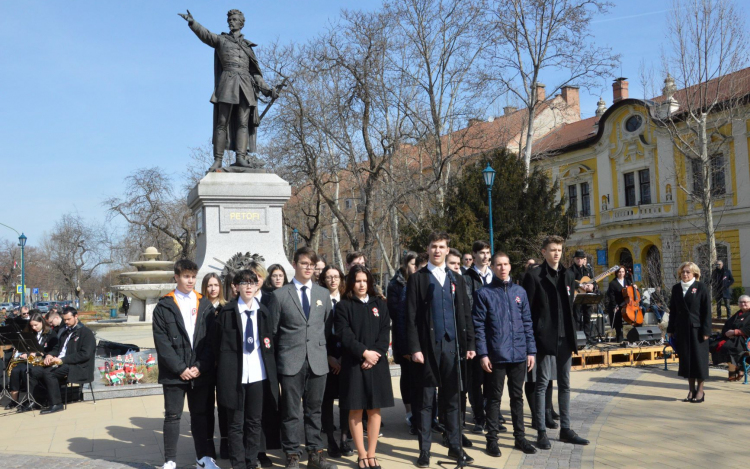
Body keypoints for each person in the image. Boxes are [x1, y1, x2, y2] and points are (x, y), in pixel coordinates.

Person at [178, 9, 279, 171]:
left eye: (234, 19)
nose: (231, 22)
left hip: (246, 86)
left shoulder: (248, 47)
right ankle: (218, 160)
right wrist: (193, 23)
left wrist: (268, 90)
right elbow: (205, 35)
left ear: (241, 23)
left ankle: (240, 157)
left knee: (243, 123)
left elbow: (255, 74)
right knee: (221, 123)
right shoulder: (221, 40)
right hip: (227, 84)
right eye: (230, 19)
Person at [407, 231, 475, 467]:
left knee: (454, 399)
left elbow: (466, 315)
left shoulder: (457, 278)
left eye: (442, 247)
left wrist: (470, 345)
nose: (437, 250)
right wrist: (415, 348)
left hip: (453, 346)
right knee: (426, 400)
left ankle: (455, 447)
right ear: (427, 250)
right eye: (433, 246)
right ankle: (424, 450)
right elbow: (411, 317)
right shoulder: (418, 279)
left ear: (448, 250)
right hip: (428, 348)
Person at [269, 247, 337, 469]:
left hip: (317, 361)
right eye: (304, 263)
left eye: (312, 264)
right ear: (294, 264)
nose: (308, 267)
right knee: (290, 411)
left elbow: (326, 327)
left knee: (314, 410)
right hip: (290, 361)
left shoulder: (323, 294)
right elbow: (273, 331)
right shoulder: (280, 295)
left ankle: (316, 453)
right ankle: (291, 454)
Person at [522, 235, 589, 450]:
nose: (556, 253)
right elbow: (529, 312)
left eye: (559, 249)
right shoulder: (533, 276)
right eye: (552, 250)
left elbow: (569, 308)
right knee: (542, 384)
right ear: (544, 252)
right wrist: (531, 341)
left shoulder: (568, 275)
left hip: (565, 338)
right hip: (544, 339)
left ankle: (566, 429)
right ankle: (541, 430)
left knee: (566, 383)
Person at [152, 259, 218, 469]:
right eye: (186, 276)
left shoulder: (204, 304)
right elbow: (162, 344)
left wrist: (200, 366)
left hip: (199, 371)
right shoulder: (163, 306)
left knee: (200, 415)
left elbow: (210, 341)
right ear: (177, 277)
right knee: (172, 417)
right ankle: (170, 461)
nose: (191, 281)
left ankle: (203, 458)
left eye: (193, 276)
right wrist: (181, 368)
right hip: (174, 374)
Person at [473, 252, 537, 457]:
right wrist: (483, 354)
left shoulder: (520, 292)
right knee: (494, 399)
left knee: (517, 398)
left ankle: (520, 438)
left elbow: (527, 323)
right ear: (492, 267)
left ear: (510, 266)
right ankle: (491, 440)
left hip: (519, 354)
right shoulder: (484, 293)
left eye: (506, 264)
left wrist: (531, 351)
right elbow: (479, 327)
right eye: (498, 265)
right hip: (496, 355)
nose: (502, 268)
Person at [215, 269, 279, 469]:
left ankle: (251, 462)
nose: (249, 286)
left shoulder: (264, 312)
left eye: (252, 282)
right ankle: (239, 464)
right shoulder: (226, 313)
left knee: (254, 422)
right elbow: (216, 346)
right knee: (235, 424)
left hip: (258, 374)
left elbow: (269, 344)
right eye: (244, 282)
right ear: (236, 287)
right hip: (235, 376)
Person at [335, 265, 394, 469]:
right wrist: (364, 353)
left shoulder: (380, 304)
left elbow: (385, 332)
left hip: (376, 364)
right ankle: (361, 455)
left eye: (365, 280)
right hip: (354, 365)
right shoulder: (344, 306)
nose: (362, 284)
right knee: (356, 410)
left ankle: (372, 453)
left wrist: (375, 354)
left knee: (374, 410)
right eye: (358, 280)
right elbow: (345, 334)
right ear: (351, 283)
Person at [24, 307, 95, 415]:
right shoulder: (65, 332)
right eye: (64, 319)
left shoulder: (86, 333)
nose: (66, 322)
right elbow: (58, 348)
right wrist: (50, 355)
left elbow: (85, 354)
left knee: (49, 373)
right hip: (61, 361)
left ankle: (56, 404)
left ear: (76, 317)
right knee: (34, 371)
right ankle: (37, 401)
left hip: (77, 365)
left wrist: (62, 360)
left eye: (68, 319)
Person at [246, 260, 280, 467]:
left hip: (267, 359)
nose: (254, 280)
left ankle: (263, 450)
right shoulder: (240, 298)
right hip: (246, 361)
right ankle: (252, 450)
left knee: (265, 408)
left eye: (258, 276)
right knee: (249, 410)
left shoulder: (270, 298)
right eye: (250, 277)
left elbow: (274, 328)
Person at [319, 265, 354, 458]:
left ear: (341, 279)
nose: (332, 280)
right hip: (325, 353)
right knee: (326, 400)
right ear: (323, 280)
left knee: (346, 400)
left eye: (336, 277)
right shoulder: (318, 300)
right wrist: (327, 357)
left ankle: (344, 438)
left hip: (345, 353)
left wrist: (343, 356)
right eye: (328, 277)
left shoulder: (348, 300)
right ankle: (330, 440)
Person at [462, 241, 494, 435]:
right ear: (474, 255)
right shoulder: (466, 278)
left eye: (487, 252)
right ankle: (478, 417)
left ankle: (491, 416)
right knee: (475, 380)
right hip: (475, 334)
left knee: (493, 379)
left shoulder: (495, 275)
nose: (485, 256)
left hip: (494, 335)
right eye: (481, 253)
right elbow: (468, 307)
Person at [668, 262, 711, 403]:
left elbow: (706, 312)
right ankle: (691, 390)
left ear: (695, 274)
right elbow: (673, 310)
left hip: (698, 330)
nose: (685, 274)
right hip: (682, 330)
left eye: (688, 272)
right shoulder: (676, 288)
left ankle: (700, 391)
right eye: (683, 272)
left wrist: (706, 330)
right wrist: (670, 330)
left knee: (699, 360)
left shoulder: (701, 287)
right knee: (687, 361)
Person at [387, 252, 418, 433]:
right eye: (412, 264)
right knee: (407, 377)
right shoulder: (395, 284)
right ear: (406, 265)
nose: (415, 267)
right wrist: (404, 346)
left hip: (419, 341)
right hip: (403, 338)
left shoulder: (421, 280)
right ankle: (409, 412)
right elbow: (396, 316)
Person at [6, 311, 58, 410]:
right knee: (15, 370)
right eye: (32, 325)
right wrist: (24, 352)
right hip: (31, 360)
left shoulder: (50, 333)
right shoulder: (31, 333)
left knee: (27, 370)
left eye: (36, 325)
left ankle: (33, 398)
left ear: (42, 322)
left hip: (41, 360)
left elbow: (51, 349)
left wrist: (36, 354)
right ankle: (14, 400)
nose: (34, 328)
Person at [201, 273, 228, 460]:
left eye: (216, 285)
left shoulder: (227, 308)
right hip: (206, 364)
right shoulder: (200, 308)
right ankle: (208, 444)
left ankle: (226, 442)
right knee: (207, 405)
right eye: (209, 285)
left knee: (225, 405)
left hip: (225, 364)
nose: (213, 289)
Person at [712, 295, 750, 380]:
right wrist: (727, 333)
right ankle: (737, 369)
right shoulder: (738, 314)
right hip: (733, 338)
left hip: (745, 339)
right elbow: (728, 325)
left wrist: (736, 332)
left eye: (745, 302)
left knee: (730, 348)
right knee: (714, 345)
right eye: (741, 302)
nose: (743, 304)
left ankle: (735, 370)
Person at [570, 250, 596, 334]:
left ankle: (587, 337)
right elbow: (569, 281)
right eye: (577, 258)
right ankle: (577, 337)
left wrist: (592, 286)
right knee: (576, 317)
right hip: (576, 296)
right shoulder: (570, 270)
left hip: (587, 296)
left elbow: (594, 281)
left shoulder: (587, 270)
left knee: (587, 317)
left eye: (581, 258)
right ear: (574, 259)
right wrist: (580, 285)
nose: (579, 260)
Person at [606, 266, 630, 343]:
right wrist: (614, 306)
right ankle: (619, 338)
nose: (621, 273)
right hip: (618, 305)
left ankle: (636, 336)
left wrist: (635, 287)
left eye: (622, 272)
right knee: (617, 317)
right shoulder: (613, 283)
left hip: (627, 304)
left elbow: (632, 292)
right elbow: (611, 297)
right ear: (616, 273)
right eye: (619, 272)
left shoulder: (628, 281)